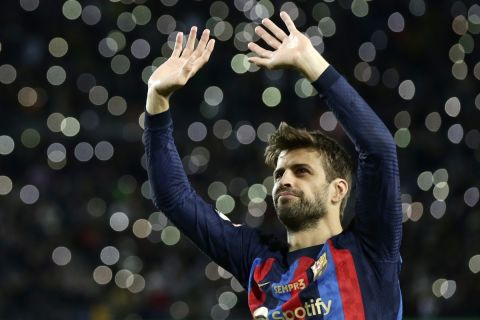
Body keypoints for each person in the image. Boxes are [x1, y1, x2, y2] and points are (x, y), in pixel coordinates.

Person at [143, 11, 402, 320]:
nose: (284, 180)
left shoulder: (371, 249)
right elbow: (173, 198)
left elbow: (379, 149)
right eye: (280, 173)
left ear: (338, 190)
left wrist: (310, 61)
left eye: (301, 171)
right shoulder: (257, 260)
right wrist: (156, 99)